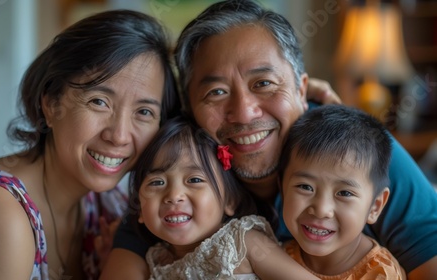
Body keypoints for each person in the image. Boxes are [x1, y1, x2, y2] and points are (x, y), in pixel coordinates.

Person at [102, 1, 437, 279]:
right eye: (216, 92)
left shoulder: (356, 152)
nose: (245, 113)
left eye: (263, 83)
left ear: (302, 90)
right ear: (190, 110)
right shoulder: (176, 179)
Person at [0, 10, 181, 280]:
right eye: (99, 101)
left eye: (144, 112)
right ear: (51, 103)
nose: (120, 135)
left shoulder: (108, 207)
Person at [128, 116, 320, 279]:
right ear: (140, 209)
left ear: (229, 201)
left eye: (194, 179)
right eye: (156, 182)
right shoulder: (157, 262)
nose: (174, 195)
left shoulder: (242, 242)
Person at [279, 104, 405, 279]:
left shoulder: (380, 273)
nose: (322, 209)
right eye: (305, 187)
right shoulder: (279, 254)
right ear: (282, 188)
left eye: (345, 193)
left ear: (375, 207)